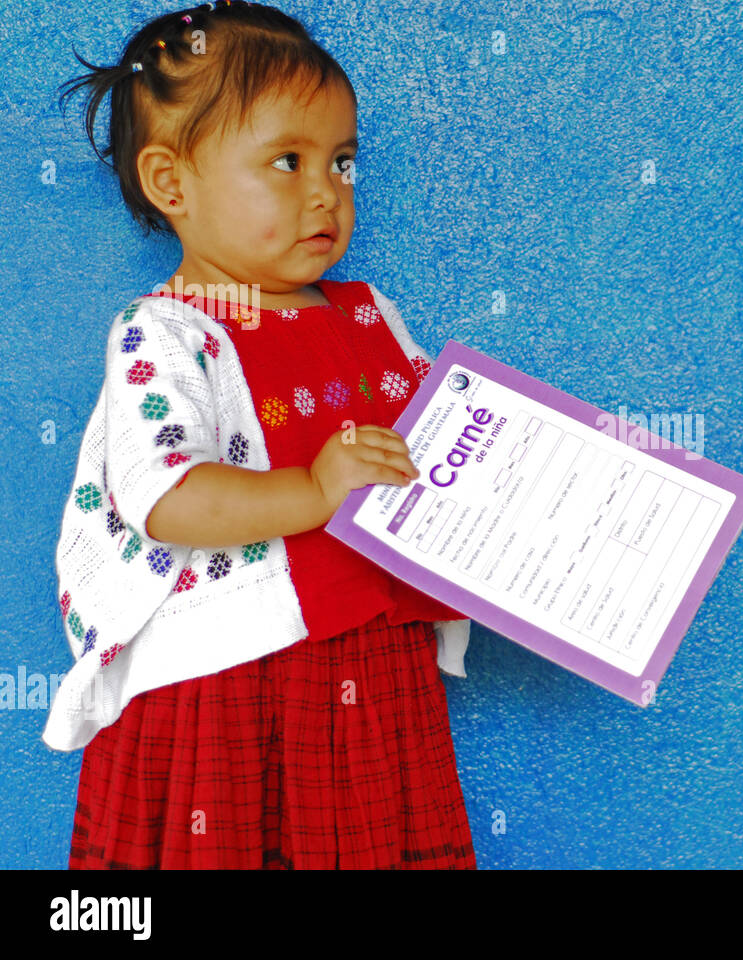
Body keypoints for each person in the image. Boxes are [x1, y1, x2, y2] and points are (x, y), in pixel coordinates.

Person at [46, 1, 477, 869]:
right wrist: (315, 490)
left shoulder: (372, 320)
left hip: (375, 671)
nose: (327, 191)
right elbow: (164, 496)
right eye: (287, 161)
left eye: (343, 162)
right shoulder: (165, 334)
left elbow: (446, 451)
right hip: (228, 681)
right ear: (172, 183)